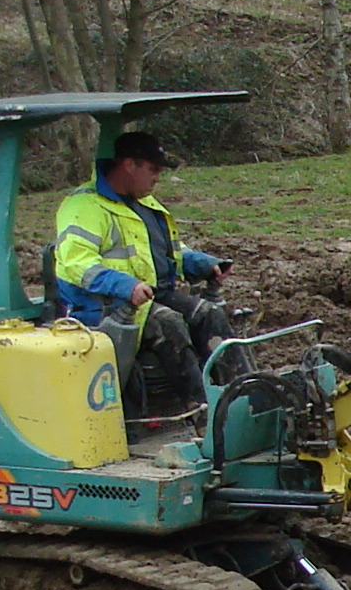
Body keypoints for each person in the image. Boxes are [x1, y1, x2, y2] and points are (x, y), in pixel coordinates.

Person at [50, 130, 233, 411]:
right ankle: (201, 412)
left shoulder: (145, 204)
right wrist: (124, 285)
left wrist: (202, 263)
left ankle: (237, 396)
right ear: (129, 165)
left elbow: (167, 252)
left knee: (210, 314)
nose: (157, 177)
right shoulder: (84, 207)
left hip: (150, 297)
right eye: (153, 170)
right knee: (169, 323)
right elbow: (76, 262)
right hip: (106, 307)